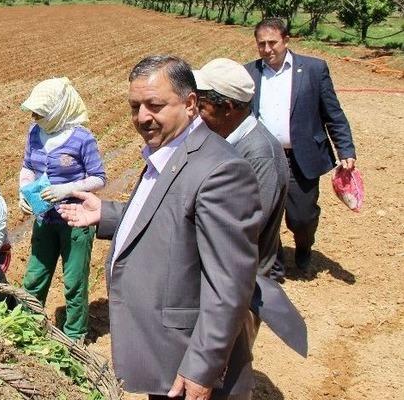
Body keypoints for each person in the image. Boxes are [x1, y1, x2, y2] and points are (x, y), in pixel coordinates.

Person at [59, 55, 263, 400]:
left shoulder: (220, 171)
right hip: (164, 353)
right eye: (135, 106)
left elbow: (229, 284)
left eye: (154, 105)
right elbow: (168, 217)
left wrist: (202, 366)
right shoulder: (168, 150)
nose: (142, 117)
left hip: (189, 360)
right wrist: (107, 214)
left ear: (190, 103)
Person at [195, 58, 307, 357]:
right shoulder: (227, 141)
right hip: (218, 277)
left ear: (228, 107)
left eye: (202, 106)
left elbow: (243, 230)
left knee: (225, 368)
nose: (196, 113)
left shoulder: (259, 156)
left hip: (238, 288)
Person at [245, 18, 356, 272]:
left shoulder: (314, 70)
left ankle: (304, 245)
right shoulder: (249, 73)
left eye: (272, 42)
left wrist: (345, 149)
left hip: (300, 157)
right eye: (261, 44)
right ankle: (275, 262)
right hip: (262, 158)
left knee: (302, 217)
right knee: (263, 213)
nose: (267, 49)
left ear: (286, 40)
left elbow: (333, 114)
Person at [18, 76, 106, 341]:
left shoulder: (82, 139)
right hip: (44, 217)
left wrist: (67, 190)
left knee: (74, 281)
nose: (35, 116)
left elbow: (99, 178)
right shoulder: (35, 133)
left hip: (75, 220)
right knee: (34, 276)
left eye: (41, 112)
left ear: (58, 111)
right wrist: (23, 190)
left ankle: (75, 334)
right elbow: (28, 167)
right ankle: (26, 326)